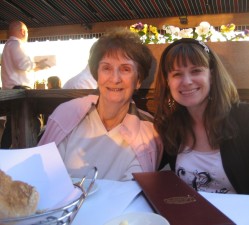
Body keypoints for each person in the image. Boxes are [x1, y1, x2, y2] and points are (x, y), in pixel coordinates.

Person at [154, 38, 249, 195]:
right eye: (177, 74)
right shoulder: (170, 124)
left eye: (196, 71)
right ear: (167, 81)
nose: (187, 81)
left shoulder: (247, 118)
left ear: (212, 75)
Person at [38, 27, 162, 180]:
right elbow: (43, 173)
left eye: (125, 69)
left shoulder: (148, 134)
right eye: (106, 68)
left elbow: (132, 189)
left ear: (138, 81)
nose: (115, 78)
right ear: (97, 75)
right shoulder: (67, 115)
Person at [0, 21, 49, 148]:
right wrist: (38, 64)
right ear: (23, 31)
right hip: (20, 90)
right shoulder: (16, 44)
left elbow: (21, 68)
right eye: (27, 32)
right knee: (34, 122)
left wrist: (37, 66)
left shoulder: (8, 45)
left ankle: (3, 155)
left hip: (12, 90)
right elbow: (23, 64)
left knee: (12, 128)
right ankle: (33, 149)